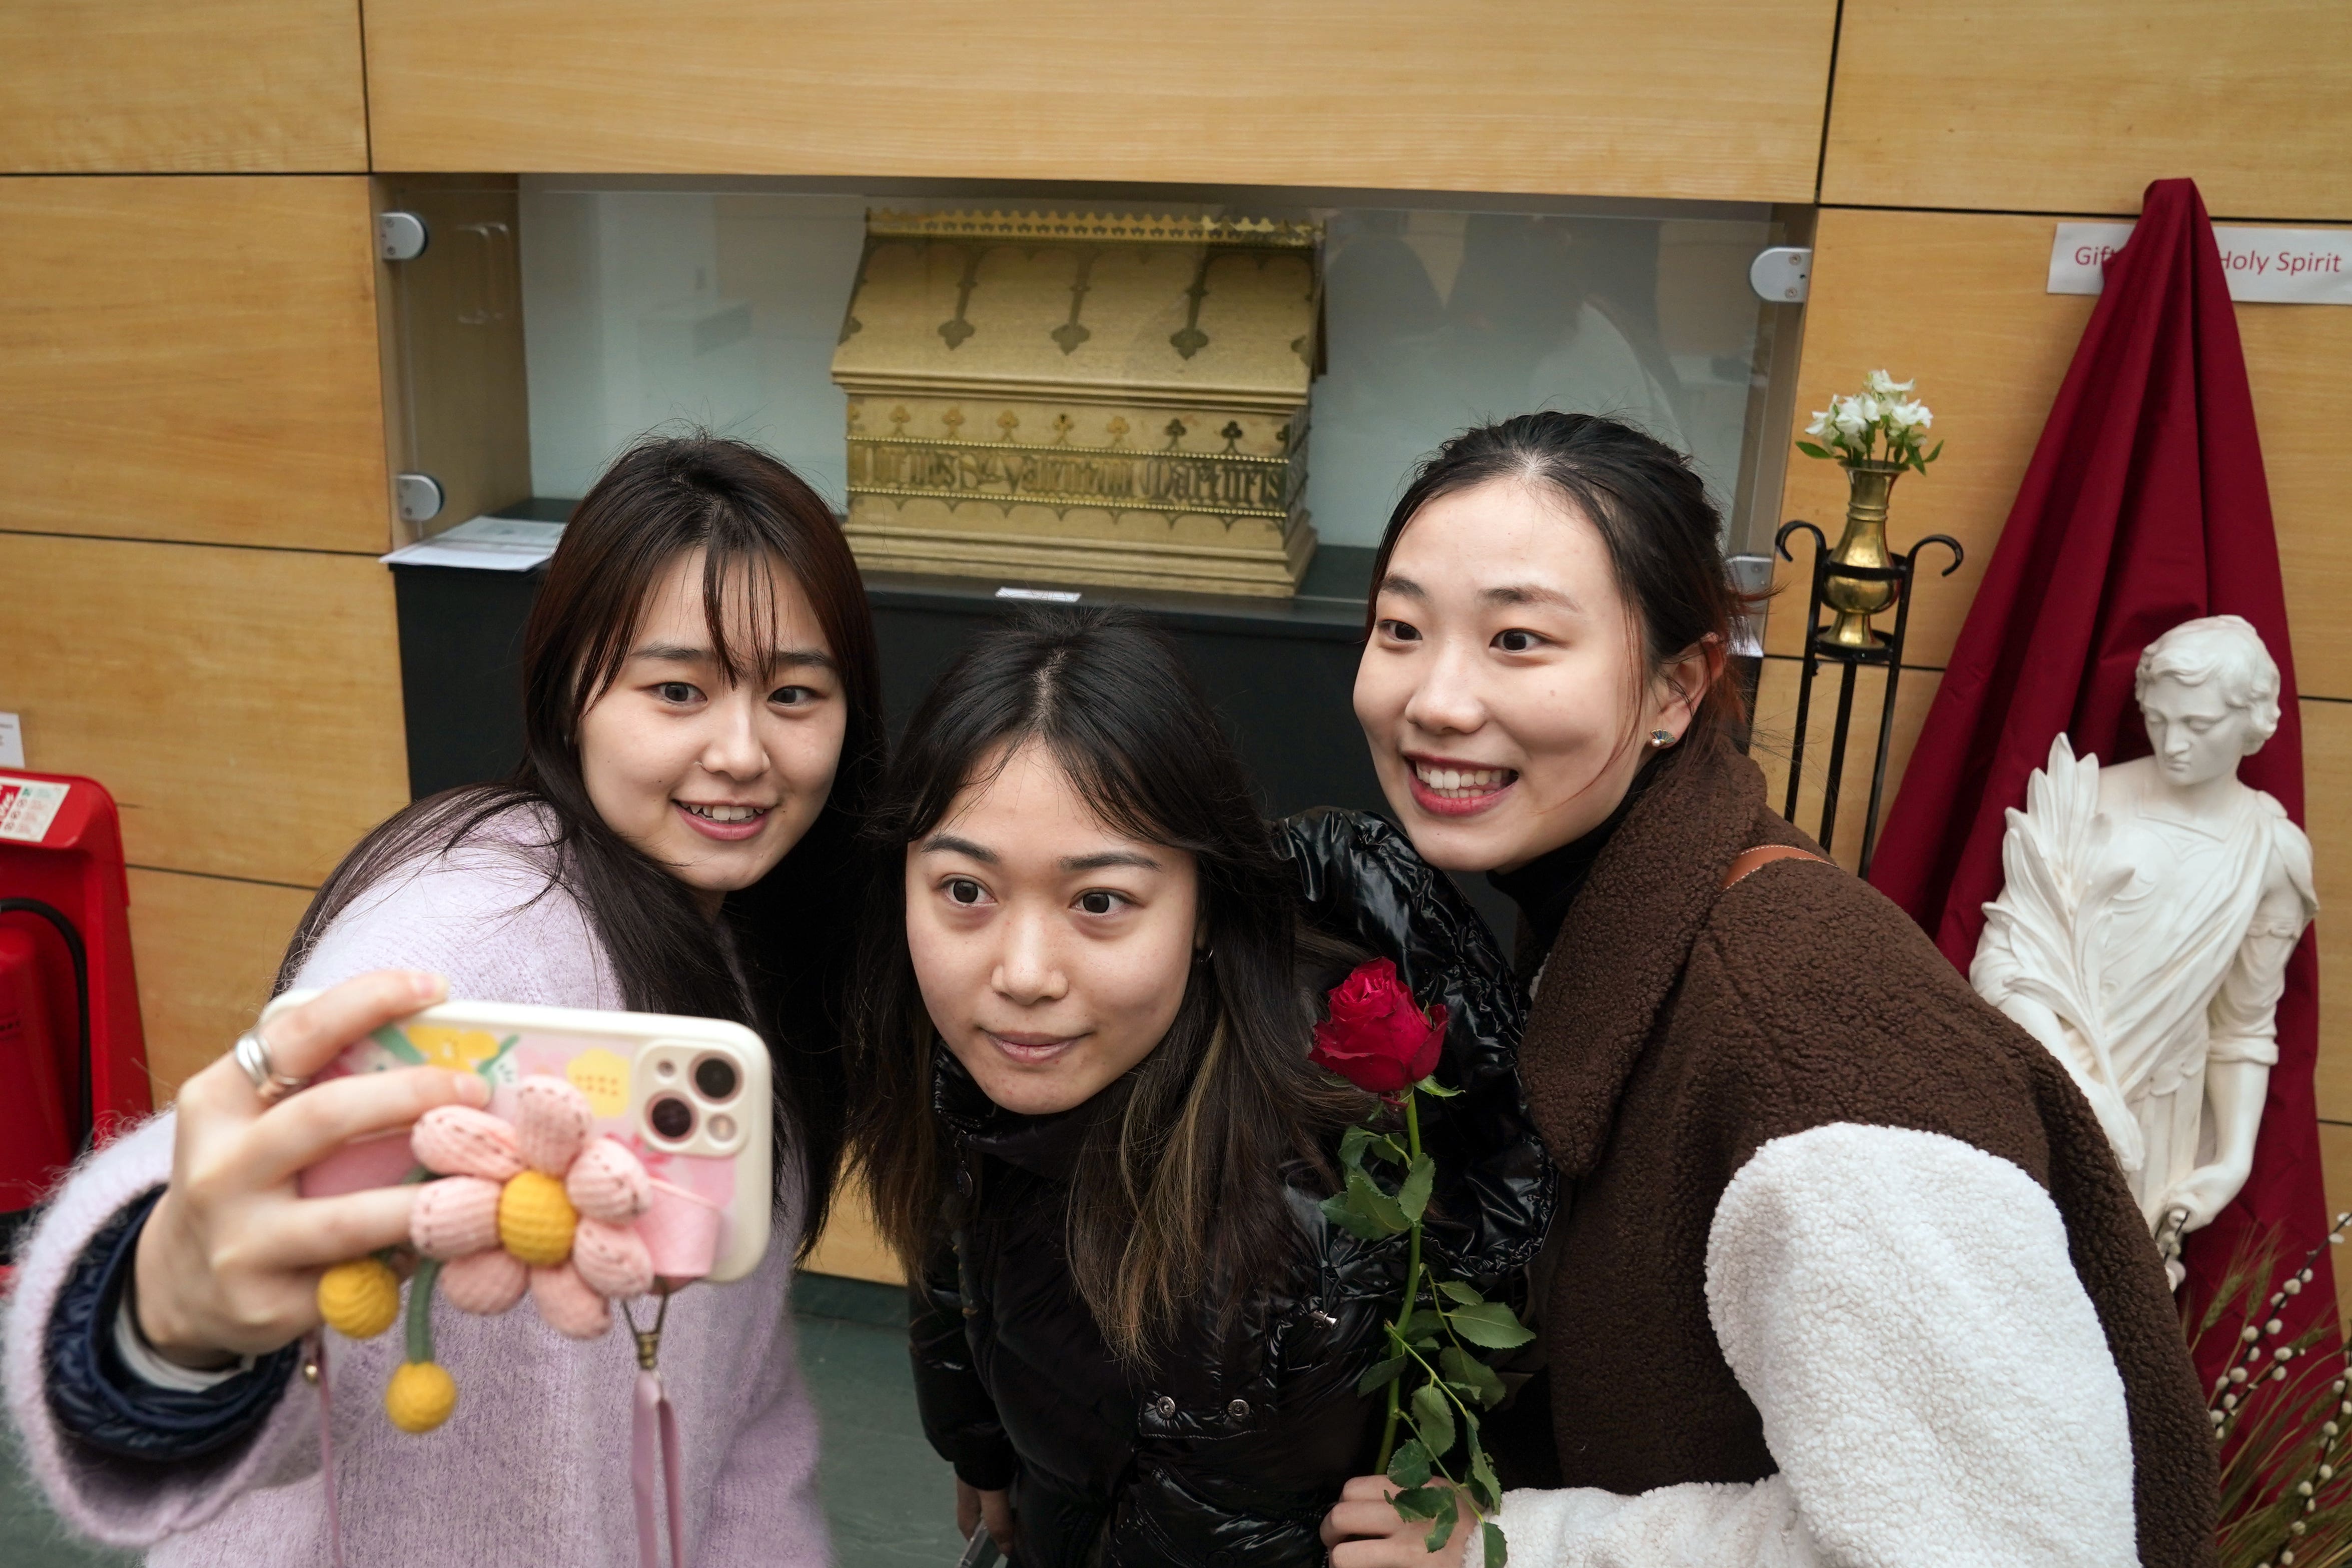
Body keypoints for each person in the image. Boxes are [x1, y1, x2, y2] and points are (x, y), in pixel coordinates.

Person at [1316, 413, 2217, 1566]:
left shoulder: (1807, 1051)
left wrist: (1526, 1545)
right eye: (1400, 627)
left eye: (1518, 641)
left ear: (1676, 689)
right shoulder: (1607, 914)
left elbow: (2015, 1545)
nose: (1434, 699)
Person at [3, 436, 883, 1565]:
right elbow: (231, 1162)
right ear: (570, 692)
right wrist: (160, 1314)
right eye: (677, 690)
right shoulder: (474, 922)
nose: (742, 750)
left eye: (795, 694)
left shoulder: (749, 945)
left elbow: (740, 1404)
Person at [846, 610, 1550, 1568]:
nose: (1021, 973)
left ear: (1207, 907)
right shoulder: (987, 1052)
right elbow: (956, 1248)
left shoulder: (1281, 1237)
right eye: (966, 891)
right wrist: (977, 1448)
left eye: (1098, 902)